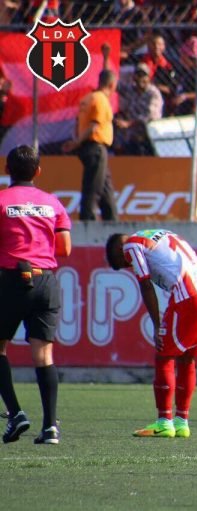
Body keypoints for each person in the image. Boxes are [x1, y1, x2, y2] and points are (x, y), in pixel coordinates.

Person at [106, 229, 197, 438]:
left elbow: (145, 284)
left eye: (125, 264)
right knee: (186, 356)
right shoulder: (158, 234)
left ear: (120, 250)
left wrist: (157, 325)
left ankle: (164, 421)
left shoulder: (131, 245)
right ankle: (181, 422)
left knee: (164, 354)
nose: (129, 265)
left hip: (188, 294)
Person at [0, 145, 71, 445]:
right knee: (43, 354)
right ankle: (50, 427)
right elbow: (65, 248)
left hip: (10, 279)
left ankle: (16, 413)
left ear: (7, 170)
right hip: (45, 281)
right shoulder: (52, 203)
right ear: (38, 172)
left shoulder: (2, 200)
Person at [62, 50, 120, 222]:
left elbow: (78, 123)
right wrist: (76, 142)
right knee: (93, 187)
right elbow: (94, 125)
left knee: (105, 186)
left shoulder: (88, 98)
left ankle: (112, 220)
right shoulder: (101, 100)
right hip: (95, 146)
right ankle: (88, 221)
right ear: (112, 85)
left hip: (89, 147)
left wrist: (106, 57)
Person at [114, 62, 163, 156]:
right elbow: (114, 84)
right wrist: (106, 59)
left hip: (149, 137)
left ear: (149, 78)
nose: (140, 79)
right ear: (134, 77)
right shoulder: (132, 89)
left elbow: (150, 116)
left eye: (143, 76)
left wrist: (129, 123)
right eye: (138, 75)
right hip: (133, 137)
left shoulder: (153, 94)